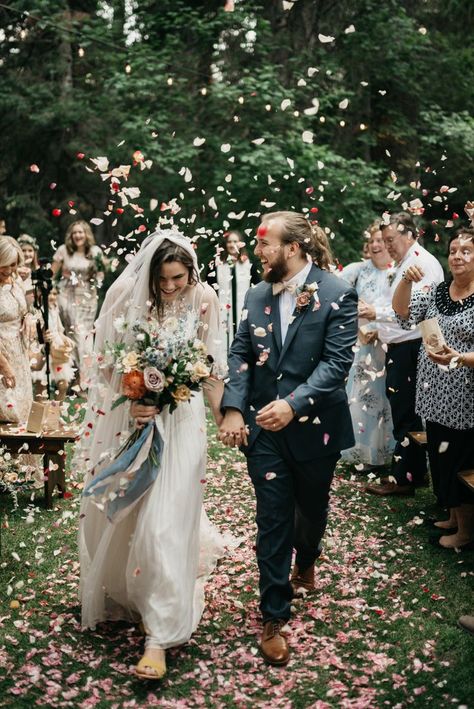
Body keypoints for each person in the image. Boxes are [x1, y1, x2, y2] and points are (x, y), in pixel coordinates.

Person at [77, 230, 230, 680]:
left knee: (165, 522)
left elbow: (210, 364)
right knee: (130, 516)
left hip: (183, 423)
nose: (169, 287)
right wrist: (136, 392)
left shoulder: (204, 297)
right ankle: (135, 595)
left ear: (191, 271)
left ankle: (159, 636)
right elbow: (105, 359)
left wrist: (224, 417)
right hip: (137, 420)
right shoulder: (127, 292)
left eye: (178, 278)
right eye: (162, 279)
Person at [219, 211, 358, 666]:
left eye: (265, 244)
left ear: (293, 248)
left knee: (311, 510)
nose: (257, 252)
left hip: (316, 428)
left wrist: (293, 404)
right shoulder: (257, 294)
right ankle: (274, 615)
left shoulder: (337, 292)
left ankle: (308, 558)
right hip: (264, 430)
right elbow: (242, 351)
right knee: (273, 518)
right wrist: (236, 407)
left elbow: (336, 364)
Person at [392, 227, 474, 550]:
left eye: (466, 251)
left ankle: (467, 531)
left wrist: (461, 358)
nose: (457, 255)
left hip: (465, 400)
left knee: (459, 462)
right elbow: (403, 314)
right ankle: (454, 517)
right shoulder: (438, 291)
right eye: (453, 250)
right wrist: (406, 282)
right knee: (440, 460)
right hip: (433, 396)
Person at [365, 212, 444, 496]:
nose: (386, 246)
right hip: (400, 347)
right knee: (403, 411)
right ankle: (412, 473)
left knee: (407, 414)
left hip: (412, 347)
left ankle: (405, 479)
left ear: (409, 234)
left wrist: (375, 313)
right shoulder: (404, 263)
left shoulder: (421, 263)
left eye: (390, 240)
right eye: (384, 240)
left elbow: (410, 313)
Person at [341, 222, 395, 469]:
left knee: (388, 399)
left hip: (390, 346)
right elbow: (337, 299)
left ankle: (390, 452)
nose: (375, 245)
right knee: (362, 397)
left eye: (380, 240)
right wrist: (357, 324)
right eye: (372, 240)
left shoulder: (398, 272)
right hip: (363, 347)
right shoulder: (357, 271)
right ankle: (362, 453)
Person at [52, 220, 106, 388]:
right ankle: (81, 381)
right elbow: (53, 274)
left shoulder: (95, 251)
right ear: (71, 235)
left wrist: (96, 282)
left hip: (88, 298)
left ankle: (78, 379)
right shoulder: (63, 251)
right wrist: (52, 291)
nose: (77, 235)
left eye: (80, 232)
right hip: (67, 296)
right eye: (74, 232)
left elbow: (101, 275)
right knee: (76, 333)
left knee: (85, 336)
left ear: (86, 234)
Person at [0, 236, 36, 424]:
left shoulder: (16, 282)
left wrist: (29, 317)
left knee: (22, 410)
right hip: (2, 355)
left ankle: (22, 455)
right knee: (6, 413)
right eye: (4, 264)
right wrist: (4, 366)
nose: (8, 270)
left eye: (13, 265)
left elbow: (26, 309)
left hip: (19, 355)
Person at [207, 231, 260, 351]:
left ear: (241, 244)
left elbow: (257, 287)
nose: (232, 244)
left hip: (245, 310)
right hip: (222, 311)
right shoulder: (217, 264)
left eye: (235, 241)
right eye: (229, 241)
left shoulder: (249, 264)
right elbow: (210, 288)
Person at [17, 233, 40, 306]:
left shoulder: (38, 270)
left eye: (30, 251)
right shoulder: (15, 270)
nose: (27, 254)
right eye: (23, 250)